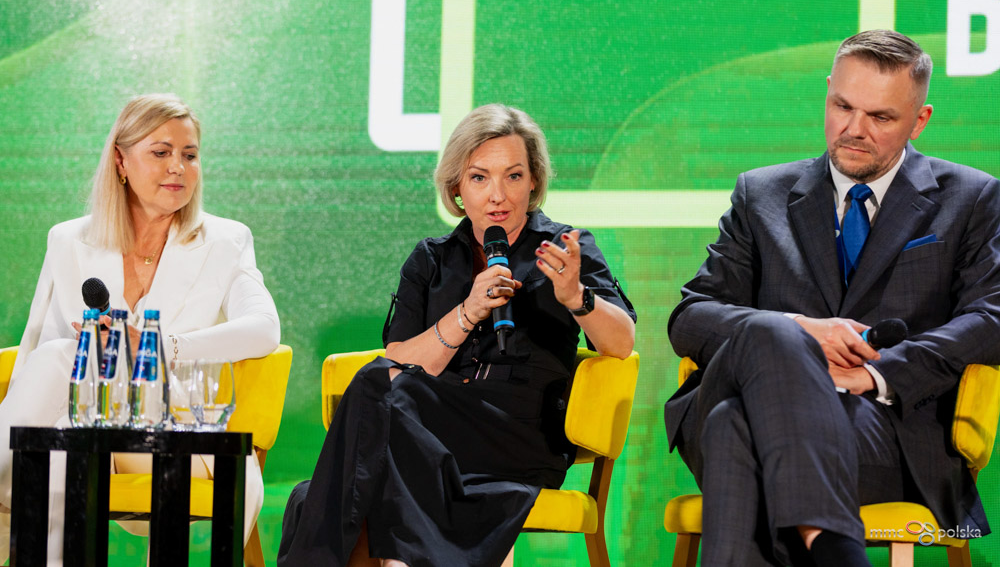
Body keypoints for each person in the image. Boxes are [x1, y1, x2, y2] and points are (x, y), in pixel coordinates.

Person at [664, 29, 1000, 566]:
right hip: (764, 403)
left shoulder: (971, 198)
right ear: (827, 92)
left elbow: (991, 319)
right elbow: (691, 316)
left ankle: (825, 537)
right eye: (843, 106)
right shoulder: (761, 194)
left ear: (919, 120)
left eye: (880, 117)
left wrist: (877, 374)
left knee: (734, 428)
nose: (854, 130)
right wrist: (801, 334)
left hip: (879, 429)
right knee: (771, 330)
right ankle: (831, 543)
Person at [278, 104, 636, 567]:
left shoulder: (565, 248)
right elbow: (400, 360)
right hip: (429, 440)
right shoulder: (431, 259)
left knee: (333, 480)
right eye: (479, 178)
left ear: (533, 181)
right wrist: (467, 311)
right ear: (457, 189)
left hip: (520, 436)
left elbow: (621, 343)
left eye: (513, 176)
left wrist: (576, 297)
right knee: (360, 421)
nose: (497, 195)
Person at [0, 93, 281, 564]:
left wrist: (156, 346)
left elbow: (264, 329)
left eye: (189, 155)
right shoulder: (68, 240)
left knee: (62, 370)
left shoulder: (225, 240)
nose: (178, 167)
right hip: (92, 429)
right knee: (60, 384)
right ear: (121, 161)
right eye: (161, 152)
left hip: (176, 430)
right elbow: (39, 353)